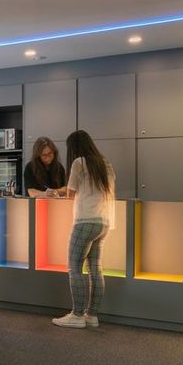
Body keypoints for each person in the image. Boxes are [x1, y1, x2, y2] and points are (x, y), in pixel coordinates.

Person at [52, 130, 115, 329]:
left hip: (85, 221)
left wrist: (57, 192)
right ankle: (92, 315)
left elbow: (70, 194)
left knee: (74, 267)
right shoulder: (105, 163)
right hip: (103, 222)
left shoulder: (79, 163)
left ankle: (77, 315)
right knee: (95, 267)